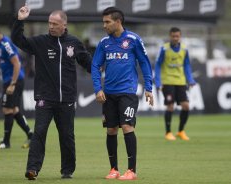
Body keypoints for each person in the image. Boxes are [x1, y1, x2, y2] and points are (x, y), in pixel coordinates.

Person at [11, 6, 92, 180]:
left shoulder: (74, 43)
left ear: (64, 24)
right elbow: (18, 40)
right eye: (49, 23)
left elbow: (89, 64)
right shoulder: (40, 42)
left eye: (55, 23)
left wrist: (103, 75)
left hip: (67, 99)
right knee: (39, 133)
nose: (51, 26)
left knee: (67, 136)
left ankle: (67, 170)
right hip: (45, 98)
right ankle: (32, 169)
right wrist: (20, 20)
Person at [91, 7, 154, 180]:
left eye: (107, 22)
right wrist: (98, 89)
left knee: (127, 127)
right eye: (103, 22)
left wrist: (149, 87)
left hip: (127, 92)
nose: (104, 25)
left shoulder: (133, 39)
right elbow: (95, 66)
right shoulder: (104, 43)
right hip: (108, 94)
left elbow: (144, 63)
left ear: (118, 22)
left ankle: (131, 171)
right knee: (111, 130)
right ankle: (114, 169)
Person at [0, 24, 33, 149]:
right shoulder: (1, 45)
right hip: (10, 80)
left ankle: (6, 142)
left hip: (13, 81)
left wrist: (12, 83)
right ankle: (31, 135)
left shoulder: (6, 44)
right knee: (14, 110)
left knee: (7, 110)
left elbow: (17, 64)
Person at [154, 27, 196, 141]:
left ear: (180, 36)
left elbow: (187, 65)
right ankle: (168, 132)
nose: (175, 38)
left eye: (177, 36)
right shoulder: (164, 49)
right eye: (173, 36)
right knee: (170, 106)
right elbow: (157, 65)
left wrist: (190, 79)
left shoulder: (184, 49)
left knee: (186, 106)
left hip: (180, 81)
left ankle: (181, 131)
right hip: (167, 82)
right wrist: (158, 82)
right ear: (170, 36)